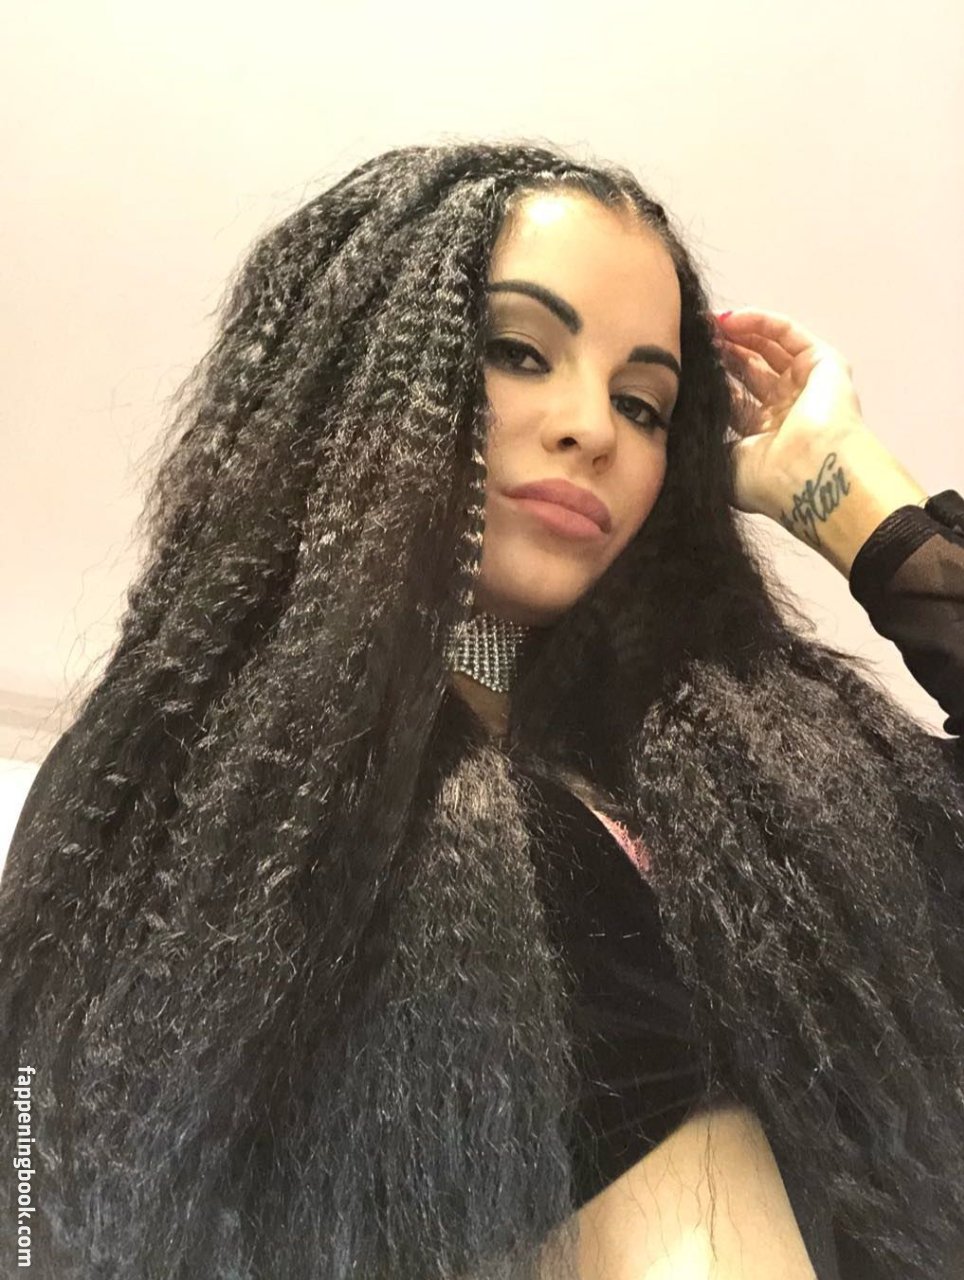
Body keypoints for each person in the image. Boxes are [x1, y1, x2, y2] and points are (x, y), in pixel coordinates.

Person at [2, 139, 963, 1280]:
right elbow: (40, 1194)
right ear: (363, 370)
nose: (591, 426)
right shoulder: (183, 798)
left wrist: (856, 498)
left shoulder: (729, 787)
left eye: (644, 404)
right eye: (518, 351)